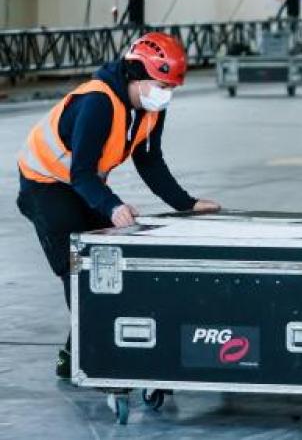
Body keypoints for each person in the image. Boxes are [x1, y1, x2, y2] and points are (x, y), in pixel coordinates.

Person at [15, 32, 220, 378]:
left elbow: (150, 162)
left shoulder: (150, 109)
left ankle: (83, 348)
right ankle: (88, 356)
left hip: (82, 184)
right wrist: (111, 206)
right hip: (44, 184)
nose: (166, 94)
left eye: (171, 88)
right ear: (136, 74)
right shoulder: (98, 102)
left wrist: (187, 204)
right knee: (76, 265)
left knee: (109, 258)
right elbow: (81, 172)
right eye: (162, 85)